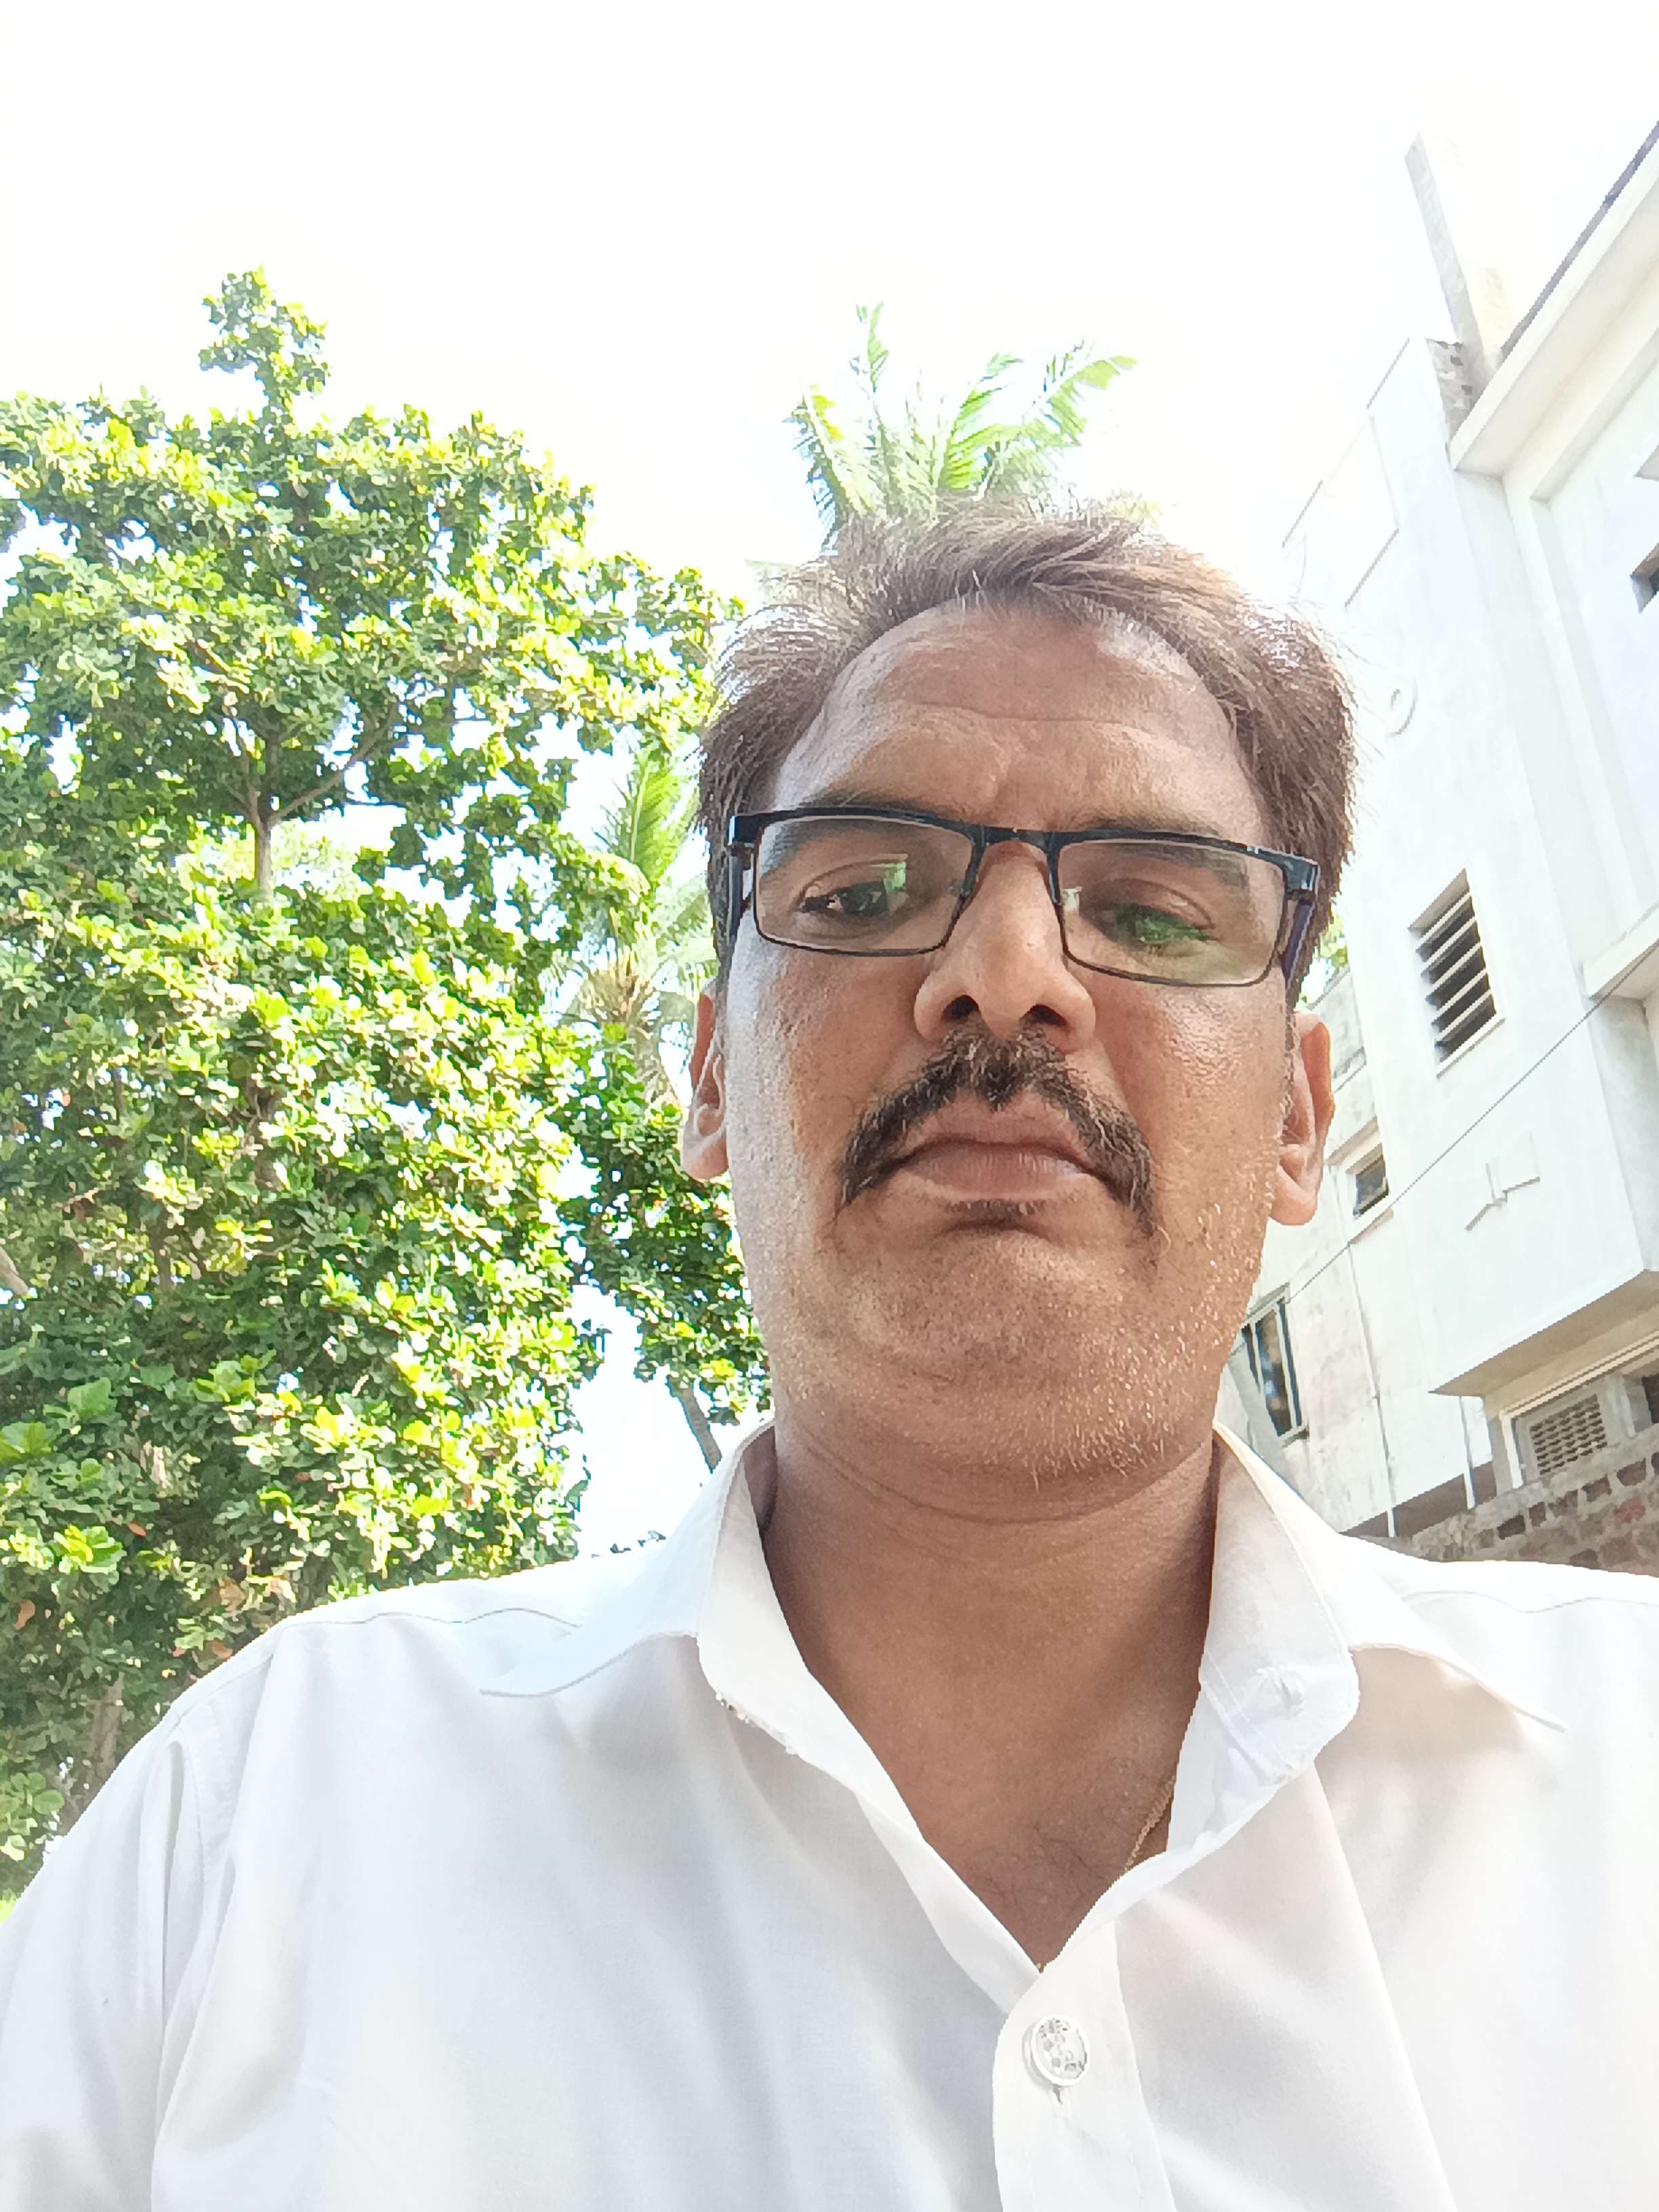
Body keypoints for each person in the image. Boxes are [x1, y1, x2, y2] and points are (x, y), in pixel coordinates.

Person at [3, 505, 1656, 2210]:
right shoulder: (258, 1823)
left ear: (1301, 1119)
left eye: (1156, 911)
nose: (1005, 975)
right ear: (714, 1083)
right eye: (863, 893)